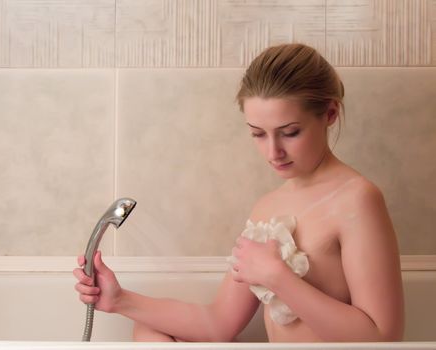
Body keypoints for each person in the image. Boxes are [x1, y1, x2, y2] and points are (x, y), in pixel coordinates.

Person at [74, 43, 404, 342]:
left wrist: (278, 277)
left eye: (289, 132)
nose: (273, 151)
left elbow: (382, 336)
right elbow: (219, 323)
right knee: (149, 329)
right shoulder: (267, 209)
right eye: (258, 134)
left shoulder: (357, 199)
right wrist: (119, 300)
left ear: (329, 114)